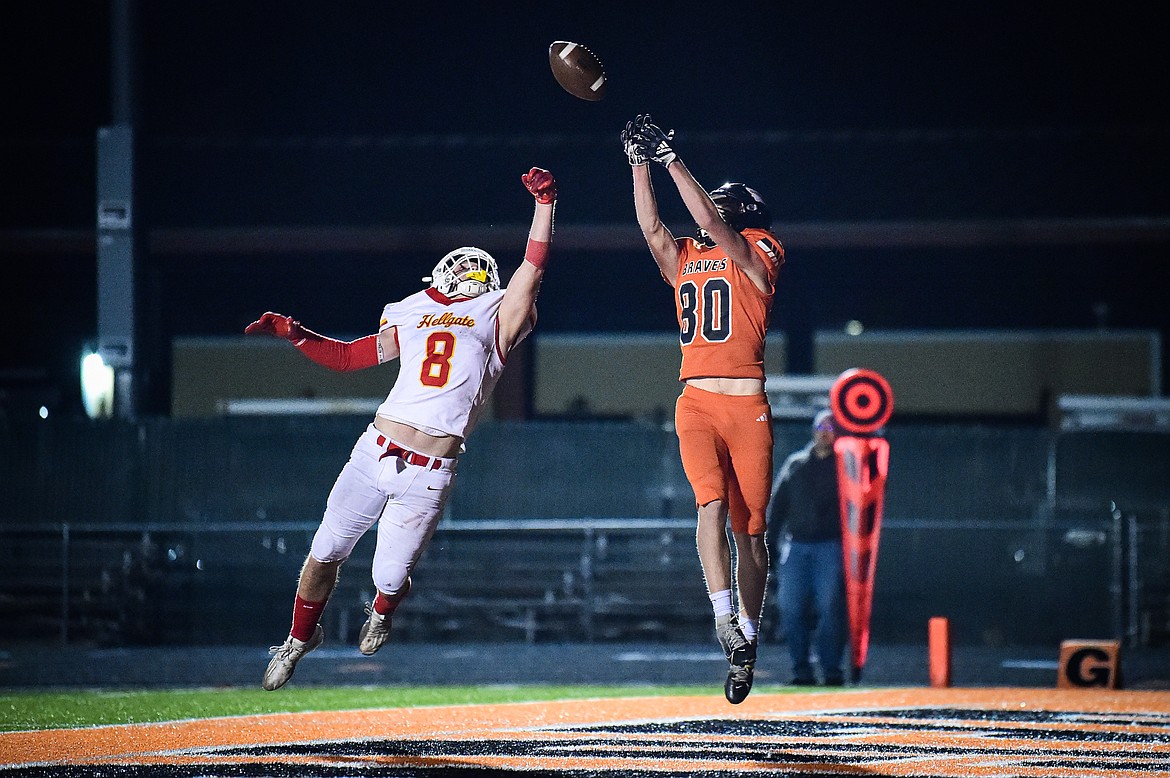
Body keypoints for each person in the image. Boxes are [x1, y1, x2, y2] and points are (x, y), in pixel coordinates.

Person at [245, 167, 557, 691]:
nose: (471, 274)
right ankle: (300, 639)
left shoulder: (496, 313)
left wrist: (545, 204)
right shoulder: (412, 311)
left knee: (388, 578)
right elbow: (348, 359)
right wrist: (297, 334)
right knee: (325, 549)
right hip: (375, 450)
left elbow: (533, 264)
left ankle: (383, 610)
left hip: (430, 469)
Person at [620, 114, 784, 704]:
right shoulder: (689, 254)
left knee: (754, 534)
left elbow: (711, 222)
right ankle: (723, 621)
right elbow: (651, 227)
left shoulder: (759, 251)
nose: (707, 214)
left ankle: (749, 630)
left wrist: (670, 158)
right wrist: (639, 163)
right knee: (709, 506)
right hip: (695, 401)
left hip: (745, 406)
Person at [767, 408, 847, 686]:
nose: (826, 433)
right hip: (797, 546)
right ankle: (801, 669)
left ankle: (832, 669)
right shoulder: (796, 464)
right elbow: (778, 507)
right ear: (813, 431)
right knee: (790, 607)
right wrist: (771, 546)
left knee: (830, 608)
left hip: (830, 546)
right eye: (821, 428)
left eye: (831, 428)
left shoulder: (845, 466)